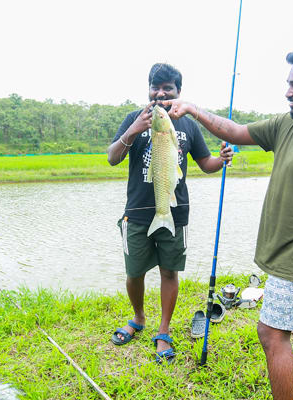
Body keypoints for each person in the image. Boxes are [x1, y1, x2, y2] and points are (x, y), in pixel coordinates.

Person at [163, 48, 293, 398]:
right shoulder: (289, 124)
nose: (287, 91)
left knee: (271, 333)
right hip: (286, 256)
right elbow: (236, 130)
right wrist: (193, 109)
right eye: (287, 83)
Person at [107, 63, 233, 362]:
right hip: (137, 212)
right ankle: (138, 318)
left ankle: (163, 330)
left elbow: (205, 163)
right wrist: (137, 127)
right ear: (149, 89)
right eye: (155, 87)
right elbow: (113, 158)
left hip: (174, 212)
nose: (161, 93)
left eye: (168, 88)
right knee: (134, 272)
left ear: (178, 91)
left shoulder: (188, 124)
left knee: (169, 271)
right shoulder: (132, 118)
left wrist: (222, 158)